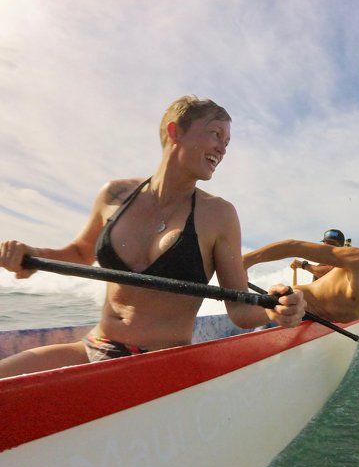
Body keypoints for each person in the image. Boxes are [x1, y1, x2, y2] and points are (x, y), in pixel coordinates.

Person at [0, 95, 304, 379]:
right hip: (94, 347)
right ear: (175, 132)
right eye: (215, 135)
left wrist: (273, 307)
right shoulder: (114, 195)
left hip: (161, 366)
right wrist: (29, 254)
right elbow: (80, 253)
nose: (223, 149)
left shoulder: (219, 214)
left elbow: (239, 309)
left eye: (227, 142)